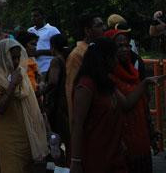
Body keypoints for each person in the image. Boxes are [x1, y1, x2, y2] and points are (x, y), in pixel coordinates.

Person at [70, 38, 163, 173]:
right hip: (96, 155)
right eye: (114, 56)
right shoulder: (86, 86)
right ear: (105, 58)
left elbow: (126, 104)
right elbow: (77, 124)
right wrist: (76, 161)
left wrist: (145, 83)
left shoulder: (107, 82)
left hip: (114, 154)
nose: (116, 60)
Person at [0, 39, 48, 173]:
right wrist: (12, 84)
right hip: (8, 138)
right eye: (12, 57)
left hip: (25, 134)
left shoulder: (20, 73)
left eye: (18, 57)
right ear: (3, 56)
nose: (15, 61)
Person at [107, 28, 156, 172]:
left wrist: (151, 130)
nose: (124, 49)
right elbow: (126, 105)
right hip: (123, 143)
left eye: (127, 45)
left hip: (141, 139)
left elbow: (144, 102)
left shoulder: (133, 70)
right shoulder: (108, 76)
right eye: (119, 46)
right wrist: (145, 83)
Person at [65, 14, 105, 122]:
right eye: (99, 26)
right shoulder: (77, 55)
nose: (104, 28)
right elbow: (71, 88)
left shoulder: (99, 49)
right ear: (87, 31)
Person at [42, 33, 70, 166]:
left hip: (57, 106)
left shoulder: (56, 60)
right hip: (65, 104)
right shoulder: (67, 58)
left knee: (55, 142)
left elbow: (53, 81)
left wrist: (41, 91)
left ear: (53, 47)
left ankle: (60, 166)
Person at [27, 8, 59, 78]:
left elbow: (59, 50)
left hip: (47, 67)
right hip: (32, 68)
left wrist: (40, 52)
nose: (33, 18)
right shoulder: (30, 30)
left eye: (36, 16)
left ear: (43, 16)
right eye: (32, 16)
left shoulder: (52, 30)